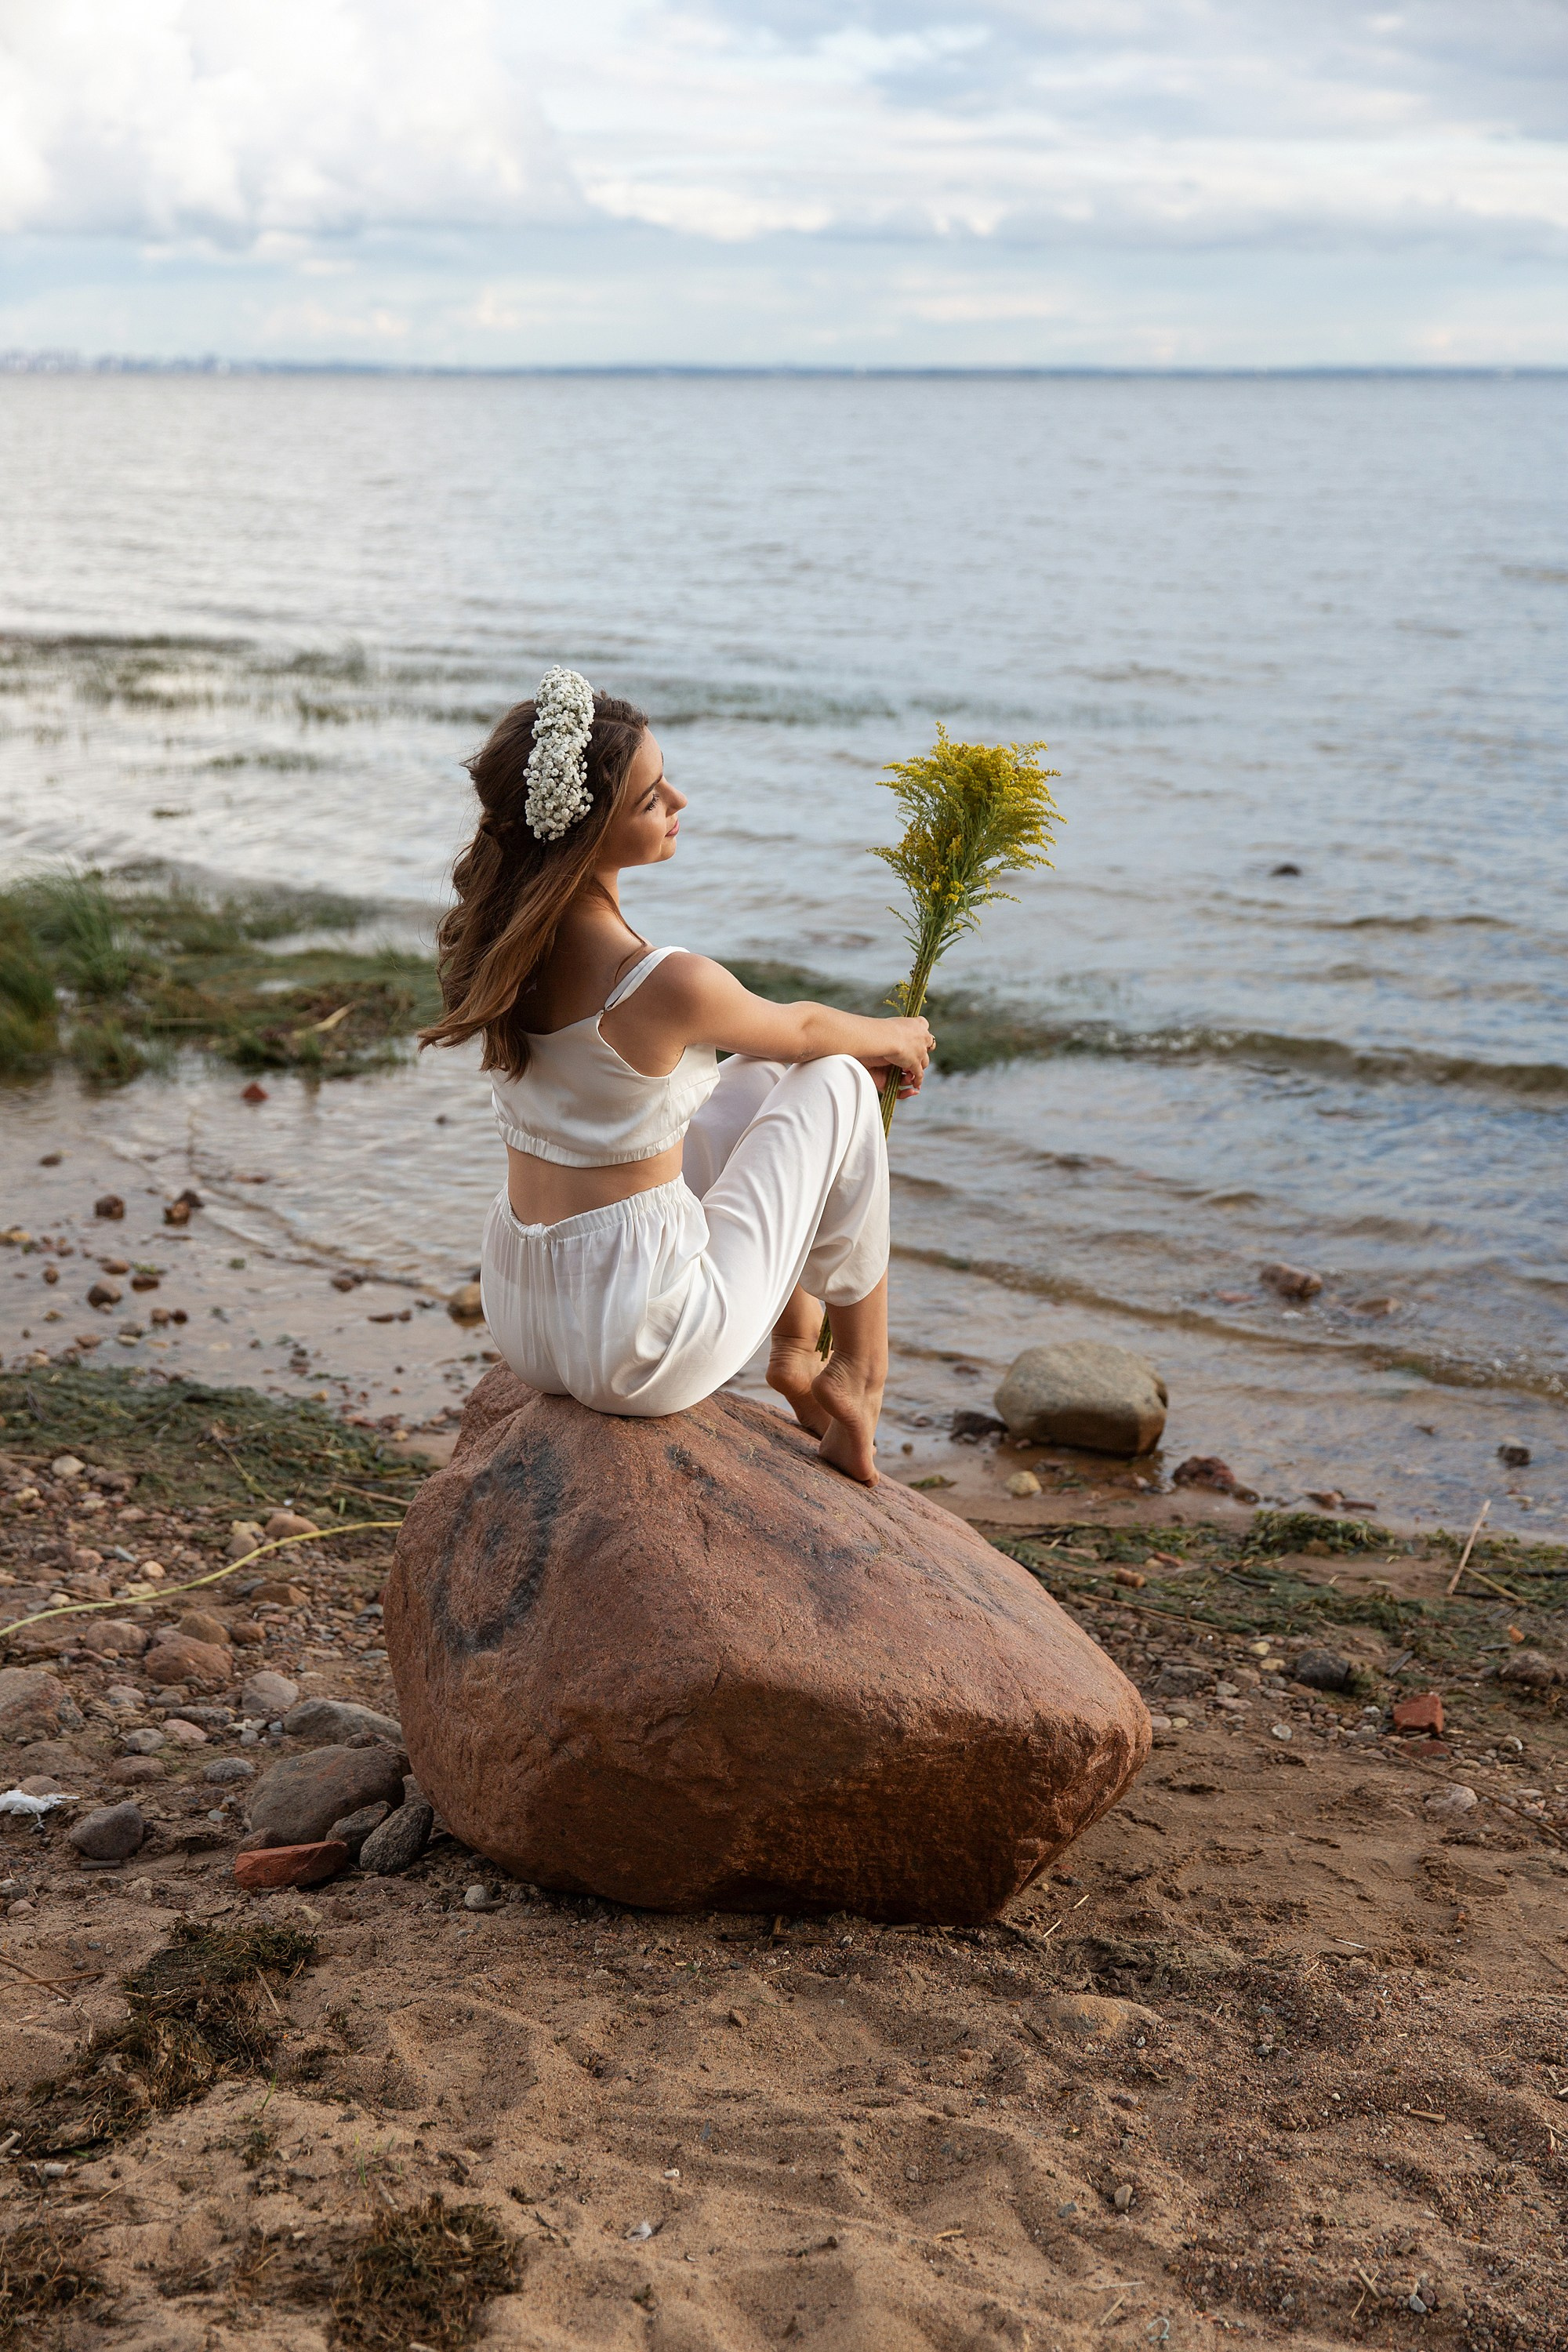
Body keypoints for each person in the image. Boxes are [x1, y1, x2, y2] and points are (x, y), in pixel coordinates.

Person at [420, 668, 934, 1484]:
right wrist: (897, 1035)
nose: (680, 802)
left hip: (524, 1314)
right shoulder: (662, 982)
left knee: (766, 1078)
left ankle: (796, 1345)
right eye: (652, 797)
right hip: (643, 1348)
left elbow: (779, 1043)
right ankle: (857, 1375)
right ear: (587, 835)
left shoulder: (499, 947)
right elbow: (806, 1029)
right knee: (837, 1079)